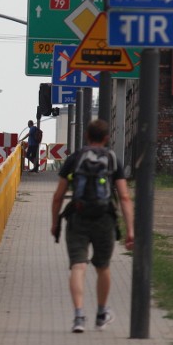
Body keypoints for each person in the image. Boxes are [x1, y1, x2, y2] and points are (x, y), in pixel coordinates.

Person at [51, 119, 135, 333]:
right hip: (104, 219)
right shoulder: (112, 160)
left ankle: (79, 317)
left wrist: (54, 223)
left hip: (77, 216)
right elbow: (124, 197)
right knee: (102, 267)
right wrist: (130, 230)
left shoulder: (75, 158)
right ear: (107, 138)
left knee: (78, 266)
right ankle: (100, 313)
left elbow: (58, 196)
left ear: (87, 136)